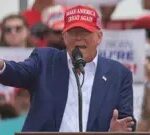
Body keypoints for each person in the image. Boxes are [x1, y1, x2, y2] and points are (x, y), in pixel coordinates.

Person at [0, 5, 135, 132]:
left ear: (99, 37)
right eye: (73, 32)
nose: (78, 38)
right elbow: (17, 72)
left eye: (85, 32)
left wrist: (116, 131)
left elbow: (126, 121)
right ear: (64, 37)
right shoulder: (44, 60)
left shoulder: (119, 74)